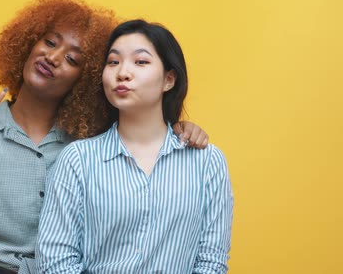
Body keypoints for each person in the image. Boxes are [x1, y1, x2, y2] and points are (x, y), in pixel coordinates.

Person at [0, 0, 210, 274]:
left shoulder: (92, 143)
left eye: (73, 59)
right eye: (49, 42)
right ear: (27, 43)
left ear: (86, 79)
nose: (54, 58)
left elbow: (148, 167)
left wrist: (178, 129)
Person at [36, 19, 233, 273]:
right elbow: (55, 262)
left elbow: (211, 263)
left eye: (141, 62)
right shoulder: (78, 159)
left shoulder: (207, 162)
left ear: (169, 80)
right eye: (113, 62)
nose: (122, 72)